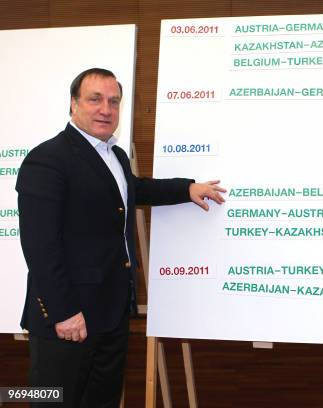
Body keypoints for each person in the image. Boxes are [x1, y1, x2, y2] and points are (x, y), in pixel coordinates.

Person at [16, 67, 225, 407]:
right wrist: (64, 311)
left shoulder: (115, 155)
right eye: (95, 99)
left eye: (114, 101)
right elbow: (40, 247)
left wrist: (186, 188)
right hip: (67, 320)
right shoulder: (47, 160)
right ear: (73, 104)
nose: (106, 109)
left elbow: (135, 189)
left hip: (110, 314)